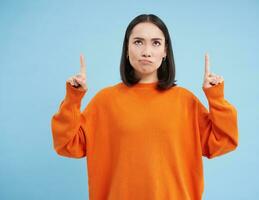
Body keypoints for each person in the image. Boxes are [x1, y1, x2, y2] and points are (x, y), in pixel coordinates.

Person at [51, 14, 238, 200]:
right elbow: (66, 144)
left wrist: (216, 97)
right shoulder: (104, 101)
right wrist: (73, 98)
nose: (146, 51)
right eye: (138, 42)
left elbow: (223, 141)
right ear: (127, 48)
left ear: (165, 51)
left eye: (156, 43)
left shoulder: (186, 102)